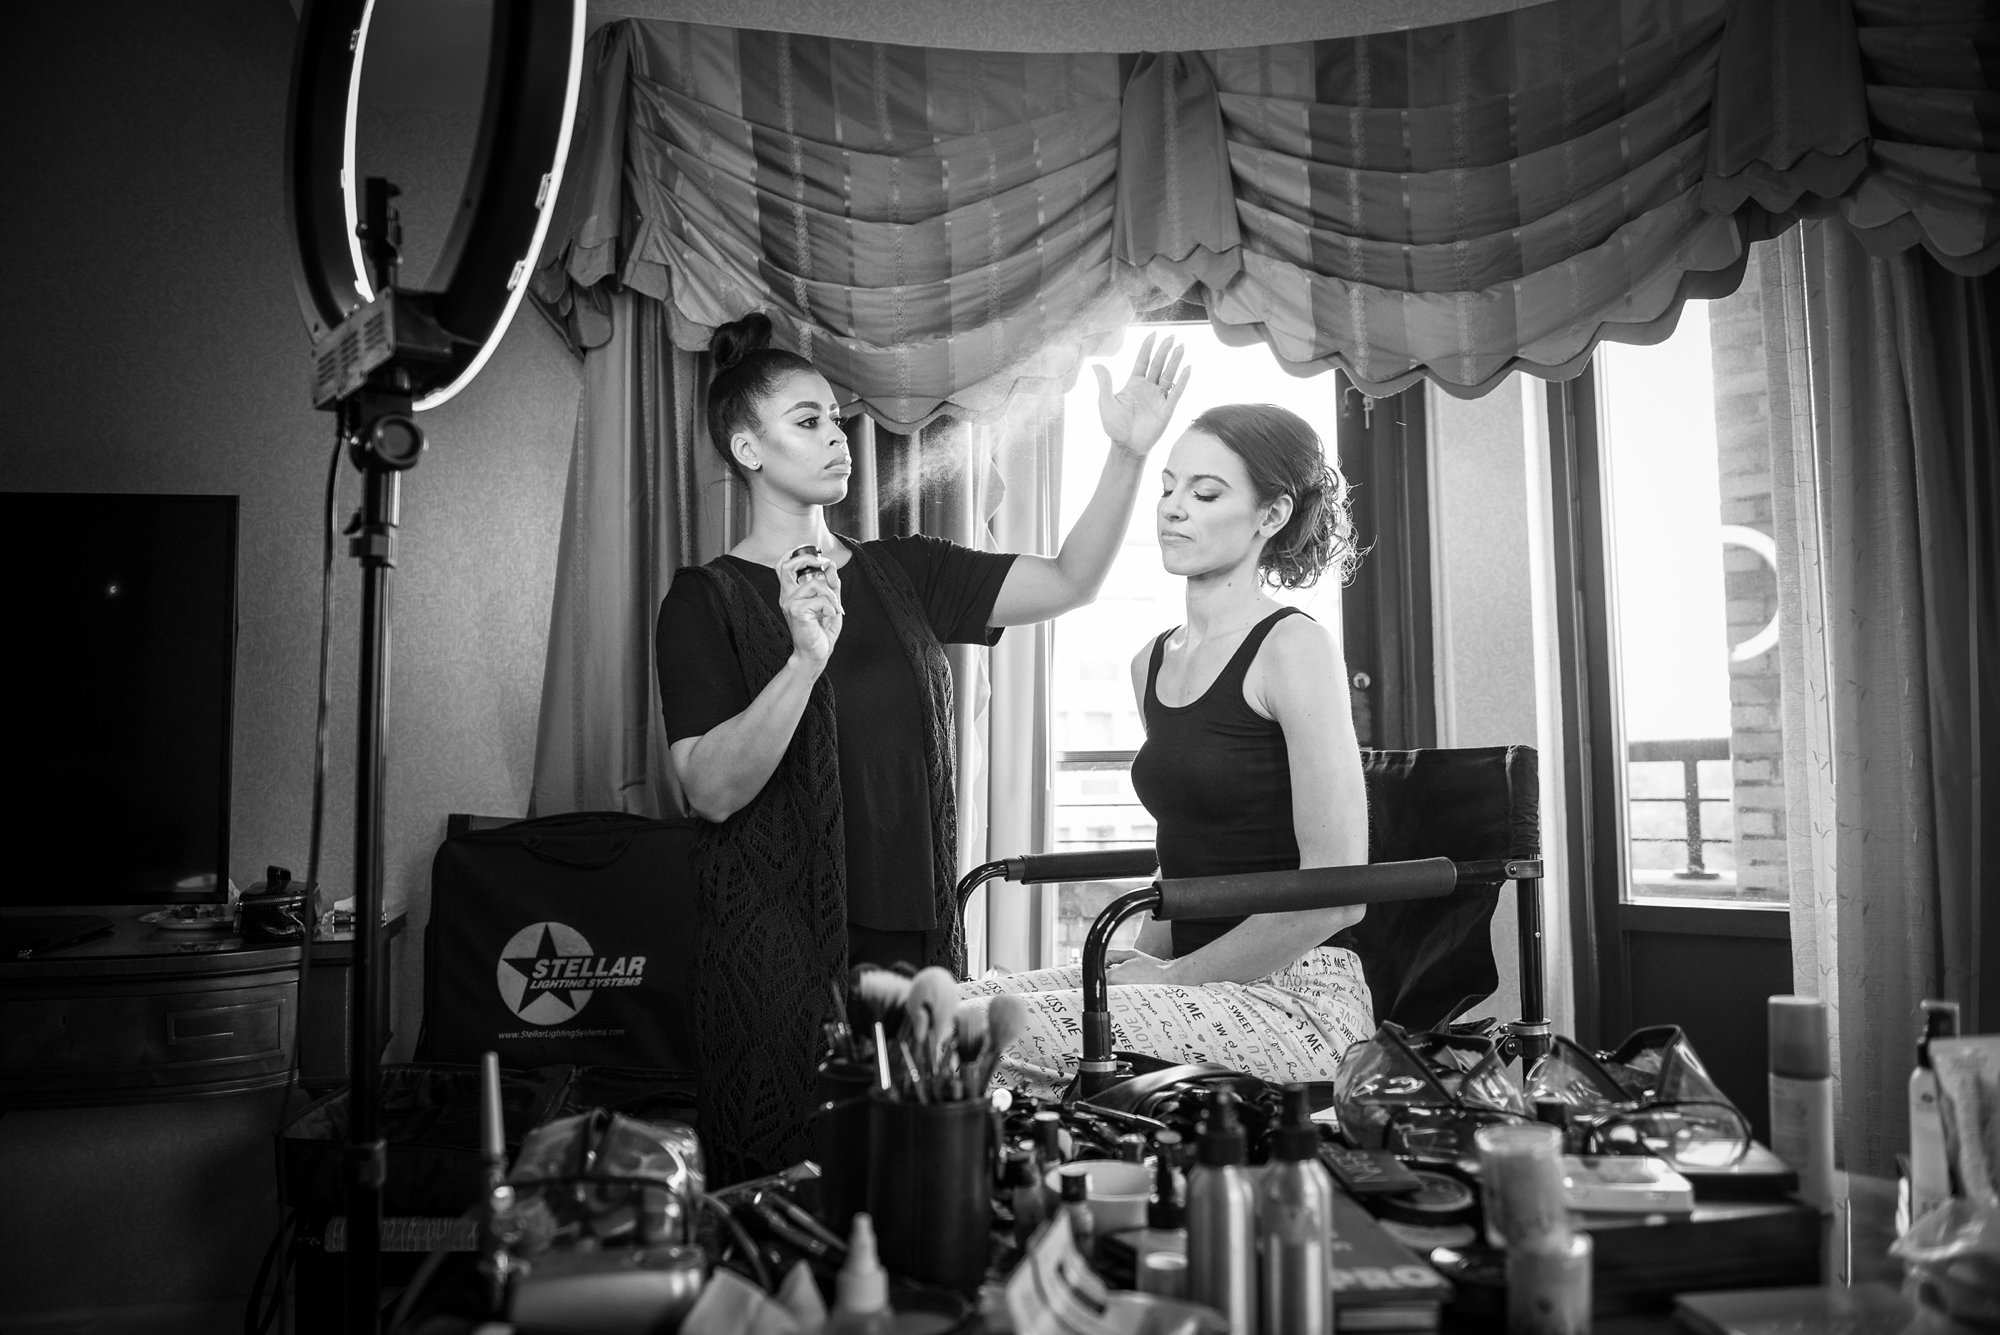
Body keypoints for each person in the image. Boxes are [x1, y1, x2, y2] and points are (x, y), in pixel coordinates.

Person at [655, 313, 1188, 1179]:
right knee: (794, 1207)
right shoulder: (705, 601)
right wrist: (803, 660)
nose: (837, 437)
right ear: (748, 449)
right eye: (807, 421)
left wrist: (1127, 453)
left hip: (916, 948)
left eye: (835, 417)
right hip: (780, 964)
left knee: (923, 1195)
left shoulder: (902, 570)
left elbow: (1068, 579)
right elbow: (709, 791)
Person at [960, 402, 1375, 1100]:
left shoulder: (1293, 648)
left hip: (1300, 997)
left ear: (1271, 516)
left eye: (1205, 493)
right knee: (942, 1007)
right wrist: (1129, 964)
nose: (1174, 508)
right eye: (1169, 486)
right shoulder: (1150, 662)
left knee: (972, 1037)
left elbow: (1337, 897)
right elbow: (1185, 851)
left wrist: (1172, 979)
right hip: (1196, 972)